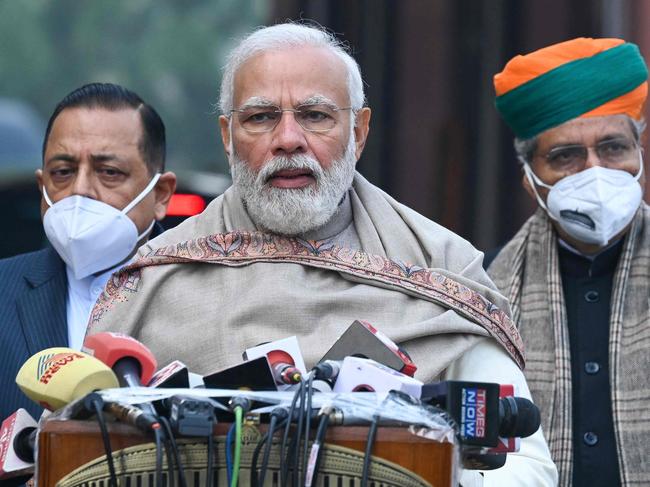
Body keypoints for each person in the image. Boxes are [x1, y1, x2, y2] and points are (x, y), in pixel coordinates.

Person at [88, 23, 556, 485]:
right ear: (228, 136)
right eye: (261, 117)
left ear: (359, 132)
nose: (288, 139)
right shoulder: (157, 278)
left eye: (315, 115)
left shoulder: (443, 270)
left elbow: (525, 469)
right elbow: (86, 451)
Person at [487, 38, 649, 486]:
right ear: (531, 179)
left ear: (640, 157)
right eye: (566, 156)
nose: (595, 172)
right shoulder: (485, 291)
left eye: (613, 148)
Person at [0, 83, 177, 421]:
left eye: (109, 172)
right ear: (42, 186)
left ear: (161, 195)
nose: (80, 189)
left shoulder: (209, 293)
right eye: (63, 172)